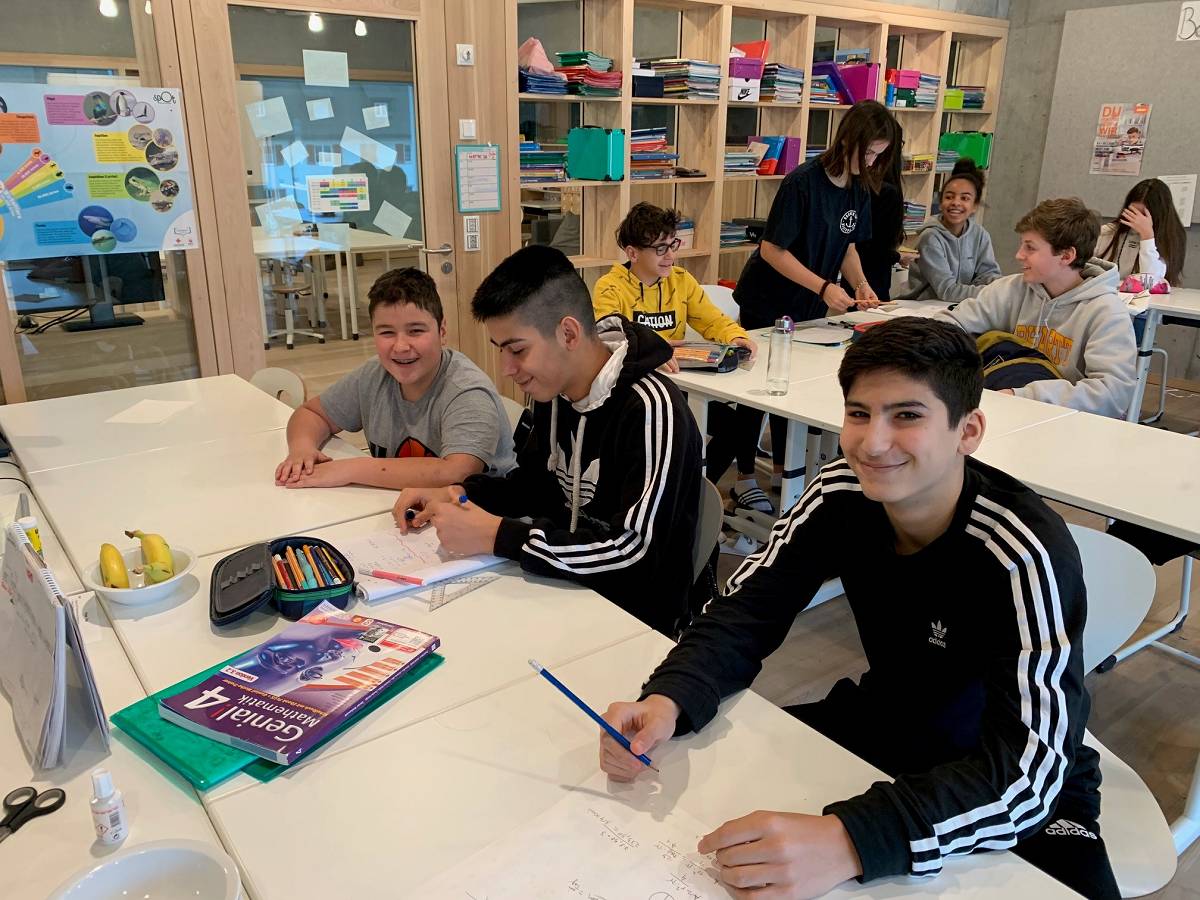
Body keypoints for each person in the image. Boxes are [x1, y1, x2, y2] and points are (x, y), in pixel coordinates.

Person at [597, 318, 1118, 900]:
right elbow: (746, 609)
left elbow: (1030, 772)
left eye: (907, 416)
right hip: (886, 723)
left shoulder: (1021, 549)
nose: (872, 443)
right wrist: (671, 697)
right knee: (699, 815)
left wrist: (851, 840)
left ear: (967, 431)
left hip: (1013, 777)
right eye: (859, 414)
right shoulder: (841, 493)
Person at [392, 246, 702, 636]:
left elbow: (635, 553)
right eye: (501, 351)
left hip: (632, 622)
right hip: (560, 591)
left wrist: (498, 536)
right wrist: (461, 493)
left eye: (517, 350)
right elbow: (535, 487)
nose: (506, 369)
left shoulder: (652, 409)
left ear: (568, 333)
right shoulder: (553, 392)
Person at [707, 99, 895, 516]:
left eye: (878, 155)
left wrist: (861, 285)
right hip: (768, 299)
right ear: (848, 139)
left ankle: (782, 473)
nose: (870, 161)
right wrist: (824, 287)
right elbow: (772, 250)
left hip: (809, 305)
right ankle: (744, 478)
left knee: (792, 389)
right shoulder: (803, 183)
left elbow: (847, 247)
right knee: (758, 391)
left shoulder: (859, 188)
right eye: (867, 151)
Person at [274, 267, 515, 489]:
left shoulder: (467, 391)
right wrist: (302, 449)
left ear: (442, 332)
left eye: (416, 331)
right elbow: (313, 413)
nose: (401, 346)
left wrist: (351, 469)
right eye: (387, 332)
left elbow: (457, 472)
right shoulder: (374, 374)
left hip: (483, 514)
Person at [936, 197, 1136, 418]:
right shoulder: (1012, 289)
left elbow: (1113, 394)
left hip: (1066, 424)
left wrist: (1023, 396)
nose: (1019, 255)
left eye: (1030, 247)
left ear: (1066, 256)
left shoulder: (1107, 312)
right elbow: (951, 324)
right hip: (1004, 412)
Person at [593, 202, 757, 374]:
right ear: (633, 253)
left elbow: (712, 320)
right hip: (634, 375)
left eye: (672, 245)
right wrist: (653, 348)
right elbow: (610, 338)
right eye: (661, 248)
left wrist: (735, 336)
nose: (671, 256)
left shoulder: (681, 279)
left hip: (676, 374)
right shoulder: (609, 287)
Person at [902, 158, 1002, 302]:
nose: (956, 202)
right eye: (949, 197)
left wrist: (1002, 287)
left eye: (965, 198)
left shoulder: (980, 235)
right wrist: (992, 294)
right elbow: (947, 291)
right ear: (940, 202)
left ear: (975, 205)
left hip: (957, 306)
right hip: (921, 307)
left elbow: (988, 274)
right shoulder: (930, 237)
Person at [848, 116, 905, 301]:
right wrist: (897, 257)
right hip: (870, 279)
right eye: (869, 152)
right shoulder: (884, 191)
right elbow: (873, 248)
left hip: (854, 278)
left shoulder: (861, 183)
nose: (871, 161)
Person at [1097, 178, 1186, 286]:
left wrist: (1147, 237)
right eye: (1132, 212)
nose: (1136, 220)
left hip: (1147, 295)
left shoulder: (1171, 237)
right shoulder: (1107, 232)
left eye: (1143, 215)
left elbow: (1150, 282)